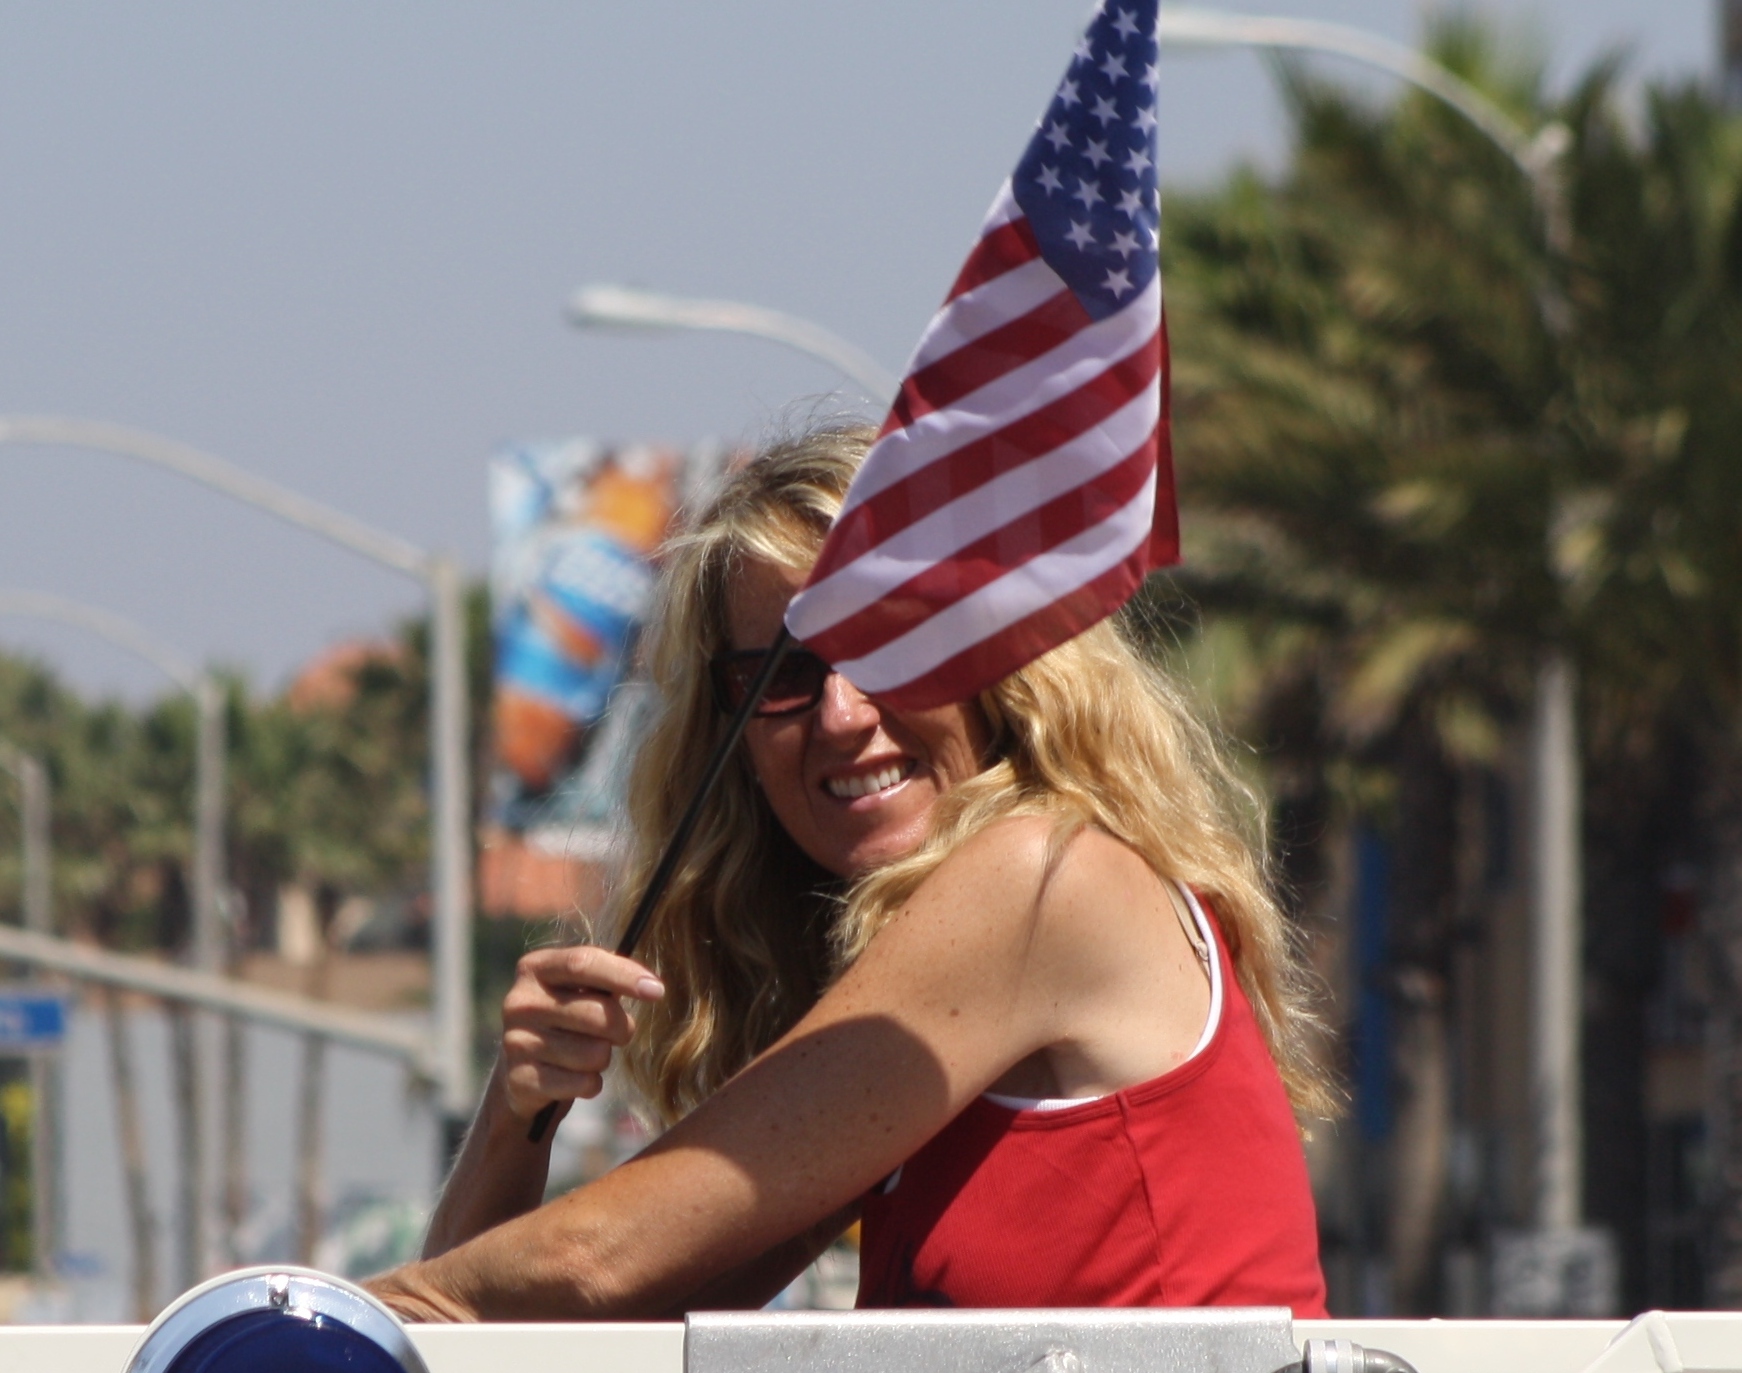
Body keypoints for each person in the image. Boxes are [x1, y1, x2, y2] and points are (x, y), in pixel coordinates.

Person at [367, 422, 1335, 1321]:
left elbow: (594, 1260)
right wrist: (515, 1113)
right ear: (732, 739)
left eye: (892, 642)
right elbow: (523, 1336)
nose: (842, 712)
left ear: (1001, 658)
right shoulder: (912, 1028)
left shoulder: (1038, 879)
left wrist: (319, 1315)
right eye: (782, 675)